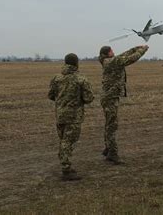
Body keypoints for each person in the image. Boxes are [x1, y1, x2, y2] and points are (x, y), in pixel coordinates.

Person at [99, 45, 149, 164]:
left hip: (109, 97)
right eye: (112, 51)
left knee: (109, 124)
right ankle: (113, 154)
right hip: (110, 98)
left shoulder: (109, 60)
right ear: (107, 53)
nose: (114, 52)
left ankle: (108, 148)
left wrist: (135, 47)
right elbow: (131, 59)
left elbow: (124, 54)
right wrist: (143, 49)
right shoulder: (112, 62)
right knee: (112, 126)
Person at [48, 53, 94, 181]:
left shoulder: (56, 78)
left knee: (63, 141)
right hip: (73, 117)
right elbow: (89, 98)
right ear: (76, 63)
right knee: (68, 142)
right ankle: (66, 169)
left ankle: (65, 164)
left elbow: (51, 95)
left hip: (60, 115)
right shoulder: (81, 79)